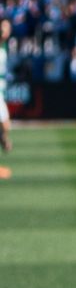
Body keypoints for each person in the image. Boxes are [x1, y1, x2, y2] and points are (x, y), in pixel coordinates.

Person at [0, 17, 13, 179]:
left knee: (5, 126)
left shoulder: (5, 46)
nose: (6, 30)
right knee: (5, 124)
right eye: (4, 27)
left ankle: (3, 140)